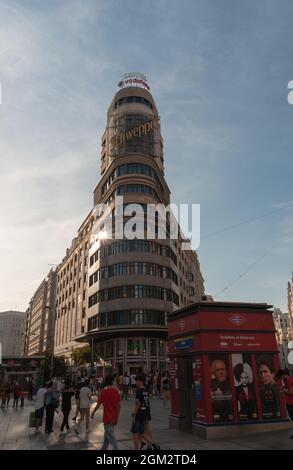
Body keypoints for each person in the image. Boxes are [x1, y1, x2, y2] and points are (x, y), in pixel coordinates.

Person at [91, 374, 121, 450]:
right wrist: (117, 418)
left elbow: (98, 404)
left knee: (112, 439)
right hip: (113, 418)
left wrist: (93, 412)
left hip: (107, 418)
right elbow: (119, 406)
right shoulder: (116, 391)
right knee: (107, 437)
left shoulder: (104, 391)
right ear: (112, 381)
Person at [131, 374, 151, 450]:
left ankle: (137, 448)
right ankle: (150, 444)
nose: (135, 382)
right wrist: (148, 414)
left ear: (140, 381)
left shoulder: (139, 391)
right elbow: (147, 403)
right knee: (141, 433)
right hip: (145, 413)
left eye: (136, 381)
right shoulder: (146, 390)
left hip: (139, 414)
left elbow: (138, 404)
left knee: (135, 433)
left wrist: (134, 414)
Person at [277, 368, 293, 438]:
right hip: (290, 402)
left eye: (281, 377)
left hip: (291, 403)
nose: (281, 379)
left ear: (283, 375)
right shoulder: (288, 380)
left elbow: (292, 392)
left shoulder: (289, 380)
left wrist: (284, 391)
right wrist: (284, 389)